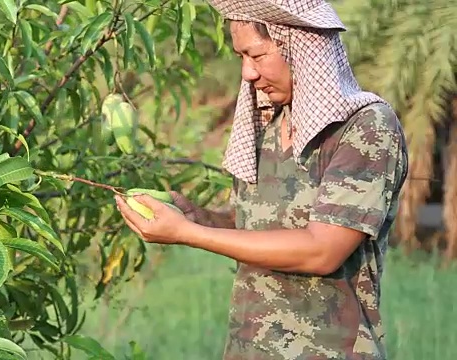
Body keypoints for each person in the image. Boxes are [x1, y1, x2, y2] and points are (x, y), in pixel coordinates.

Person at [114, 0, 409, 359]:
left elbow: (323, 250)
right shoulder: (267, 124)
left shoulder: (366, 128)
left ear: (298, 46)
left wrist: (189, 233)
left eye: (256, 55)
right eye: (241, 57)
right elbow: (257, 223)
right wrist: (198, 216)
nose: (247, 74)